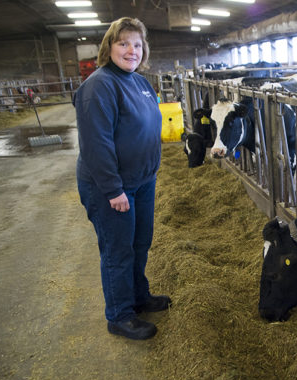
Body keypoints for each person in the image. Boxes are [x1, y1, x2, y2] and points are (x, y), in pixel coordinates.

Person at [73, 17, 170, 340]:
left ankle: (138, 296)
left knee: (140, 243)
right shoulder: (99, 85)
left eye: (137, 45)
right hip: (112, 187)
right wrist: (114, 189)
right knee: (118, 250)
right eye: (123, 43)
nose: (132, 51)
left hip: (143, 181)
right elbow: (96, 144)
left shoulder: (140, 82)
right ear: (109, 47)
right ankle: (119, 314)